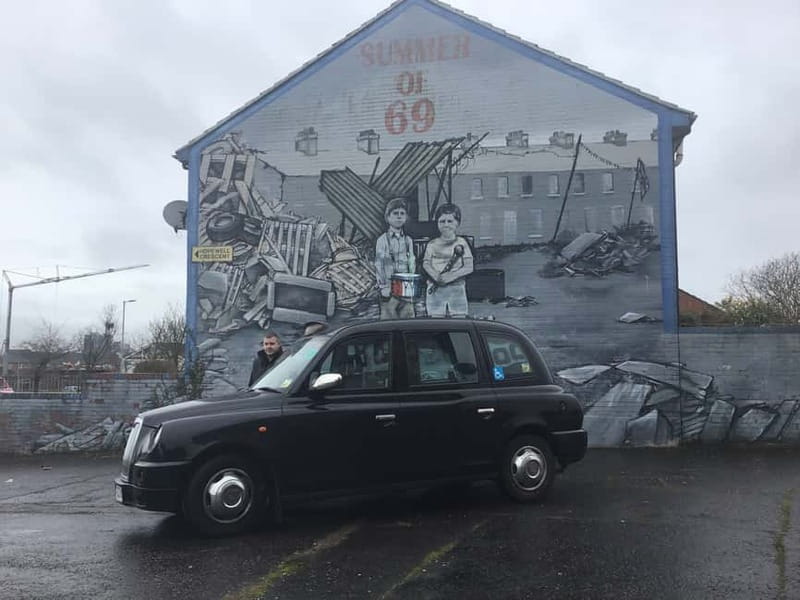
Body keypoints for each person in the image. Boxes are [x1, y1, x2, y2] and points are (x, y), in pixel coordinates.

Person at [423, 203, 474, 318]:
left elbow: (469, 266)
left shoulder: (462, 243)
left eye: (450, 221)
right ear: (437, 223)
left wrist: (452, 276)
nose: (446, 225)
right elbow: (426, 263)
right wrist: (436, 276)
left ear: (458, 223)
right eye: (442, 221)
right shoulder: (432, 244)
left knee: (459, 320)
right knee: (436, 322)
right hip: (435, 290)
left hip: (457, 289)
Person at [374, 197, 416, 320]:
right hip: (389, 288)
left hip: (405, 288)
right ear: (388, 217)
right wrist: (383, 287)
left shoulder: (408, 240)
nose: (399, 217)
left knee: (407, 319)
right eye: (395, 213)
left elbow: (411, 262)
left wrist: (411, 282)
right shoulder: (382, 240)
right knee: (388, 320)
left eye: (402, 213)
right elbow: (379, 265)